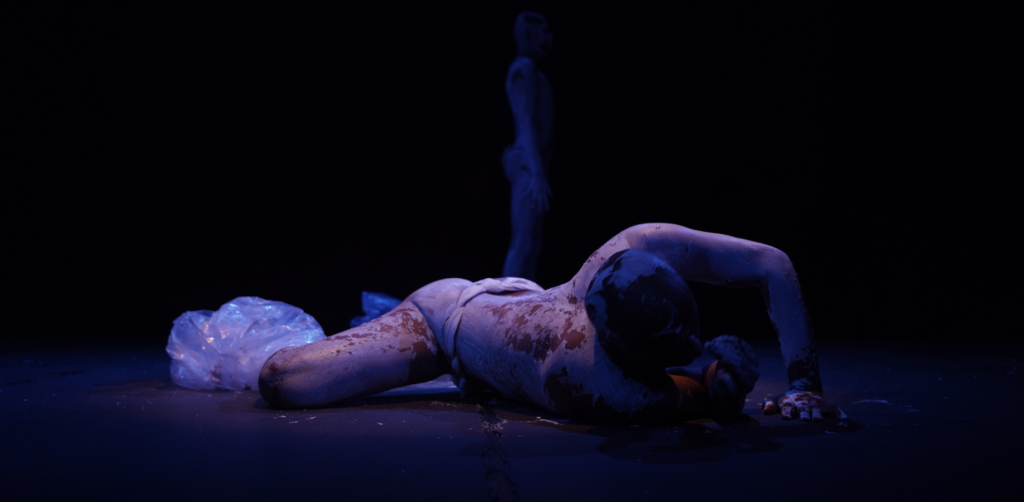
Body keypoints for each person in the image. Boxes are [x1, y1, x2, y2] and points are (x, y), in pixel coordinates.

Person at [259, 223, 837, 423]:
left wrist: (803, 381)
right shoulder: (583, 373)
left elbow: (770, 264)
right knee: (283, 378)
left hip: (489, 316)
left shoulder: (631, 255)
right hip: (441, 316)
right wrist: (722, 384)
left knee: (287, 380)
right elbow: (695, 399)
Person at [501, 12, 554, 280]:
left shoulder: (528, 69)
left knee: (532, 241)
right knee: (523, 241)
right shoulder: (524, 70)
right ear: (529, 36)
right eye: (542, 33)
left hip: (531, 160)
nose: (548, 39)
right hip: (527, 162)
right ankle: (506, 301)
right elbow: (526, 120)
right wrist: (536, 172)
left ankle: (525, 298)